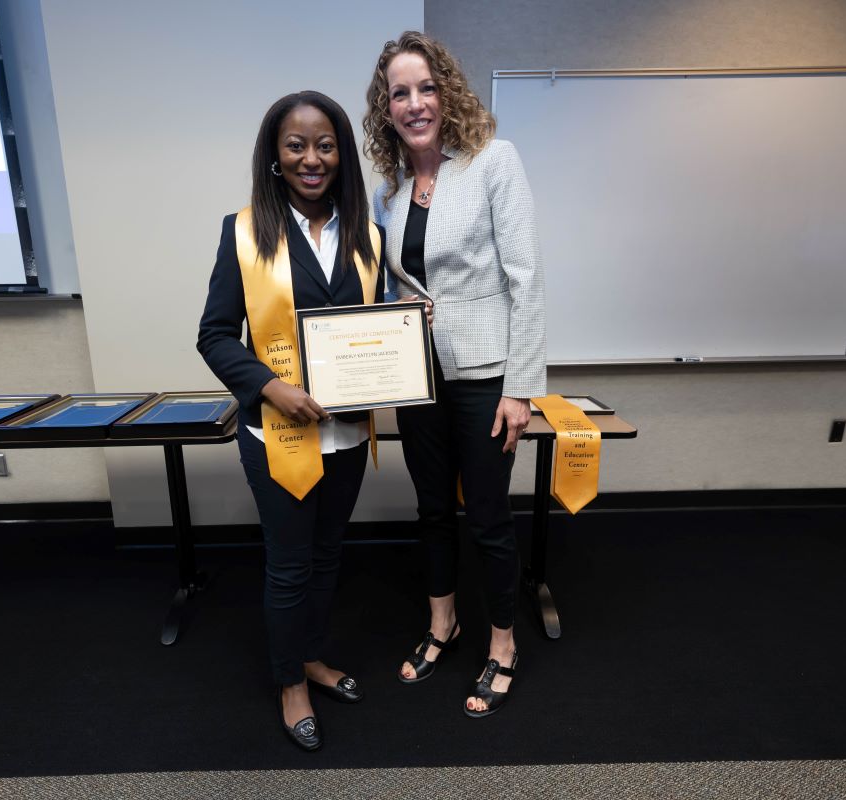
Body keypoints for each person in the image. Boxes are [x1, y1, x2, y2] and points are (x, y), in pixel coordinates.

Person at [363, 31, 546, 718]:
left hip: (487, 374)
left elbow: (525, 280)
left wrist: (521, 388)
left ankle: (502, 643)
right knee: (432, 509)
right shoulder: (391, 192)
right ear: (387, 109)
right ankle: (444, 625)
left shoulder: (494, 162)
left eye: (425, 88)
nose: (414, 103)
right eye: (399, 93)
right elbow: (391, 288)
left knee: (489, 516)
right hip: (419, 376)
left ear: (448, 92)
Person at [197, 91, 384, 751]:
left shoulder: (367, 234)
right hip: (277, 436)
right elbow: (216, 336)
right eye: (297, 145)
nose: (313, 158)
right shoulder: (244, 231)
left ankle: (311, 656)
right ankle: (291, 684)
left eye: (325, 145)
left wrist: (403, 349)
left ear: (342, 154)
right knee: (289, 566)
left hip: (347, 435)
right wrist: (271, 387)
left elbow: (373, 333)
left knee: (329, 557)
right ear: (275, 157)